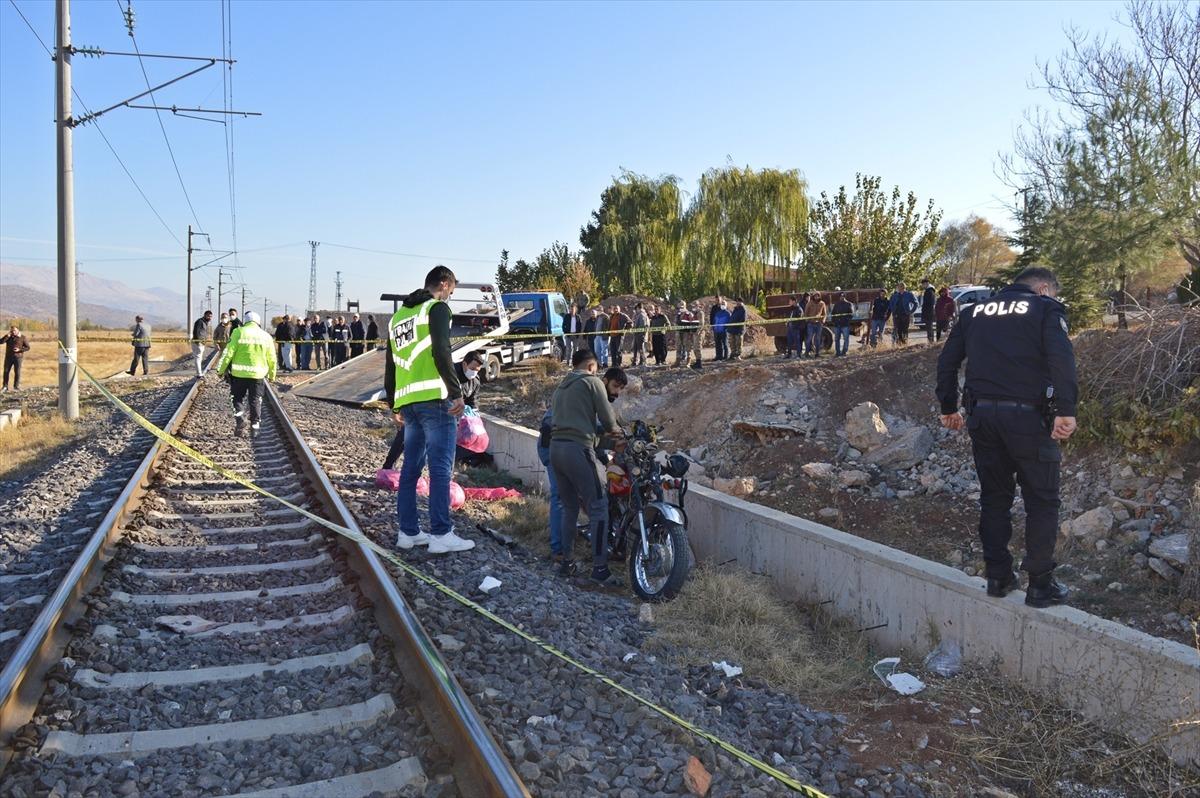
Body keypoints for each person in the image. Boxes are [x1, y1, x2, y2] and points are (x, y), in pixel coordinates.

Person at [936, 267, 1077, 609]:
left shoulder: (973, 312)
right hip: (1029, 420)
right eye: (1053, 293)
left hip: (983, 418)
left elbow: (948, 361)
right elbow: (1061, 359)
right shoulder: (1045, 309)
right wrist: (1066, 409)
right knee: (1042, 500)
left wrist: (948, 406)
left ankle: (998, 577)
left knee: (994, 498)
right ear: (1043, 289)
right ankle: (1040, 585)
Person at [384, 265, 475, 554]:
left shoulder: (398, 317)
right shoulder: (436, 309)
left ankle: (408, 532)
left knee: (410, 469)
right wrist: (456, 391)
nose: (451, 296)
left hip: (409, 402)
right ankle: (440, 533)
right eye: (452, 290)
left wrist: (393, 402)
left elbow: (391, 364)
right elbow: (441, 350)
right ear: (445, 284)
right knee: (440, 468)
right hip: (436, 400)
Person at [549, 348, 624, 584]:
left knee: (570, 507)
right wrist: (619, 436)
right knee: (599, 505)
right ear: (592, 366)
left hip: (555, 449)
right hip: (578, 450)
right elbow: (609, 420)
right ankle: (600, 570)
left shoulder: (562, 386)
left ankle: (567, 562)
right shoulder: (592, 381)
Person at [216, 310, 276, 436]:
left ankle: (240, 419)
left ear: (246, 321)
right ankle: (255, 427)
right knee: (255, 400)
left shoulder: (239, 332)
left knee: (236, 398)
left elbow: (228, 353)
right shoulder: (266, 336)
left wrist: (220, 370)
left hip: (239, 375)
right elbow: (272, 358)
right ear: (258, 322)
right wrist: (272, 375)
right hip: (258, 376)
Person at [454, 350, 492, 466]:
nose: (474, 372)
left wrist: (475, 417)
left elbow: (472, 401)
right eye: (473, 368)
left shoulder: (475, 381)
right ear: (465, 364)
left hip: (460, 414)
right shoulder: (451, 374)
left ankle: (459, 461)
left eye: (477, 370)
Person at [1, 325, 30, 391]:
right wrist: (7, 336)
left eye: (14, 330)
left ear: (18, 330)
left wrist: (19, 349)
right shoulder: (9, 337)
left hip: (18, 358)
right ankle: (5, 387)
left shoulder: (22, 337)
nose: (13, 332)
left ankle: (16, 386)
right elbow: (1, 342)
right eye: (12, 330)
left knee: (17, 372)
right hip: (8, 357)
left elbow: (28, 347)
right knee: (6, 371)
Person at [804, 291, 827, 357]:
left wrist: (823, 320)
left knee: (818, 339)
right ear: (813, 296)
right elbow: (806, 313)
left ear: (819, 296)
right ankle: (807, 353)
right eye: (815, 296)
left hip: (819, 324)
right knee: (809, 338)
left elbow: (824, 314)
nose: (816, 297)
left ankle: (817, 353)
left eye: (818, 296)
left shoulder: (822, 303)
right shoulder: (809, 303)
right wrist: (807, 320)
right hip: (811, 324)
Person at [191, 310, 213, 377]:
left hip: (201, 343)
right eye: (209, 316)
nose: (210, 318)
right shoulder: (199, 322)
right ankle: (199, 374)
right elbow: (196, 332)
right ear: (205, 315)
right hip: (198, 343)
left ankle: (199, 372)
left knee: (199, 358)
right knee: (198, 357)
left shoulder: (205, 322)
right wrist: (198, 342)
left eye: (211, 316)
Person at [689, 300, 707, 370]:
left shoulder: (700, 313)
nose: (693, 307)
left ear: (698, 305)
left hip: (699, 333)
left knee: (697, 348)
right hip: (694, 332)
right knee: (695, 348)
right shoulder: (693, 313)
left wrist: (697, 332)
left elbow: (701, 324)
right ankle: (697, 361)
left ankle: (699, 363)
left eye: (695, 305)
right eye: (693, 306)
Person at [921, 278, 937, 343]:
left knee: (929, 327)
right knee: (928, 327)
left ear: (926, 283)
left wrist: (926, 311)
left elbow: (930, 303)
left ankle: (931, 341)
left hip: (929, 312)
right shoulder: (928, 291)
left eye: (923, 284)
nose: (922, 286)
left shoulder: (930, 291)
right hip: (928, 311)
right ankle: (930, 340)